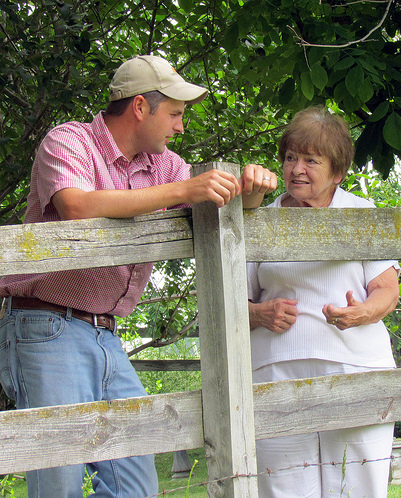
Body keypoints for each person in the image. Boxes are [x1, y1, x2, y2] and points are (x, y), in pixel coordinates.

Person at [0, 54, 277, 498]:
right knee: (59, 484)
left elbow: (213, 205)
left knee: (137, 485)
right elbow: (76, 205)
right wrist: (185, 189)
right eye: (175, 113)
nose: (180, 127)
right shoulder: (68, 140)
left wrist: (252, 193)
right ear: (140, 108)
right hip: (45, 325)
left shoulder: (163, 165)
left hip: (107, 334)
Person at [247, 105, 400, 497]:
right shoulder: (259, 221)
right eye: (290, 157)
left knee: (357, 487)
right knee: (284, 490)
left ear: (338, 172)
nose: (296, 168)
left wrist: (360, 312)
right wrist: (260, 313)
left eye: (311, 160)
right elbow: (232, 303)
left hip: (357, 370)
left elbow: (387, 291)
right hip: (274, 377)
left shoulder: (361, 214)